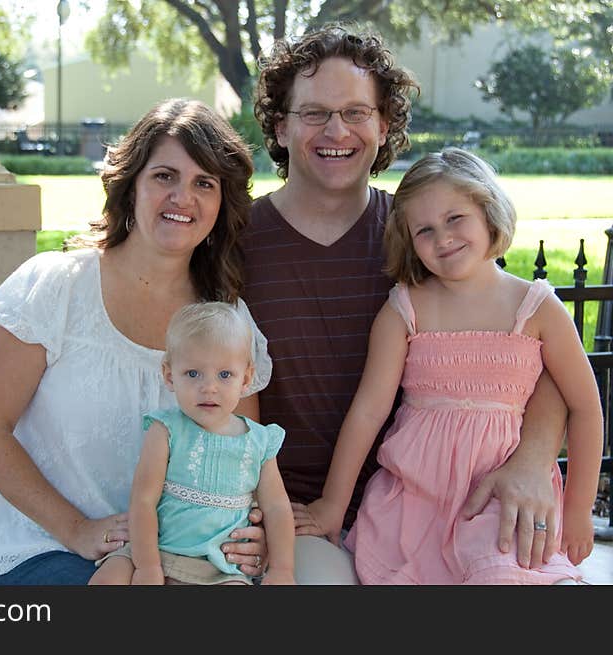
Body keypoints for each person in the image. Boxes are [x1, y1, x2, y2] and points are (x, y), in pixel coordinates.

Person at [242, 23, 571, 583]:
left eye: (355, 112)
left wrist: (534, 458)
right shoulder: (236, 241)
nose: (336, 130)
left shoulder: (424, 235)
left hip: (431, 513)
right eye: (314, 113)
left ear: (384, 124)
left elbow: (525, 355)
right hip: (288, 511)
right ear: (280, 125)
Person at [0, 98, 272, 585]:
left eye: (203, 183)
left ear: (221, 203)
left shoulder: (226, 319)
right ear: (130, 187)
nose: (182, 198)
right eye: (164, 176)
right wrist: (77, 529)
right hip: (47, 547)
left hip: (179, 557)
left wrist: (250, 532)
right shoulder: (55, 287)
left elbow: (241, 453)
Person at [309, 147, 603, 584]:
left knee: (502, 574)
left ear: (488, 212)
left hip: (498, 501)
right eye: (424, 230)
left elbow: (585, 407)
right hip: (413, 500)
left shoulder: (536, 307)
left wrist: (579, 510)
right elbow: (368, 412)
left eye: (455, 219)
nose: (443, 238)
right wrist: (333, 504)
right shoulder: (404, 309)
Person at [89, 302, 295, 585]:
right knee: (107, 579)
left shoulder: (260, 441)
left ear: (245, 378)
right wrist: (147, 567)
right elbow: (143, 500)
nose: (208, 387)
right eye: (193, 373)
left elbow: (276, 508)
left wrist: (282, 570)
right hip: (153, 548)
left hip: (219, 565)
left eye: (224, 375)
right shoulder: (165, 430)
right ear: (169, 375)